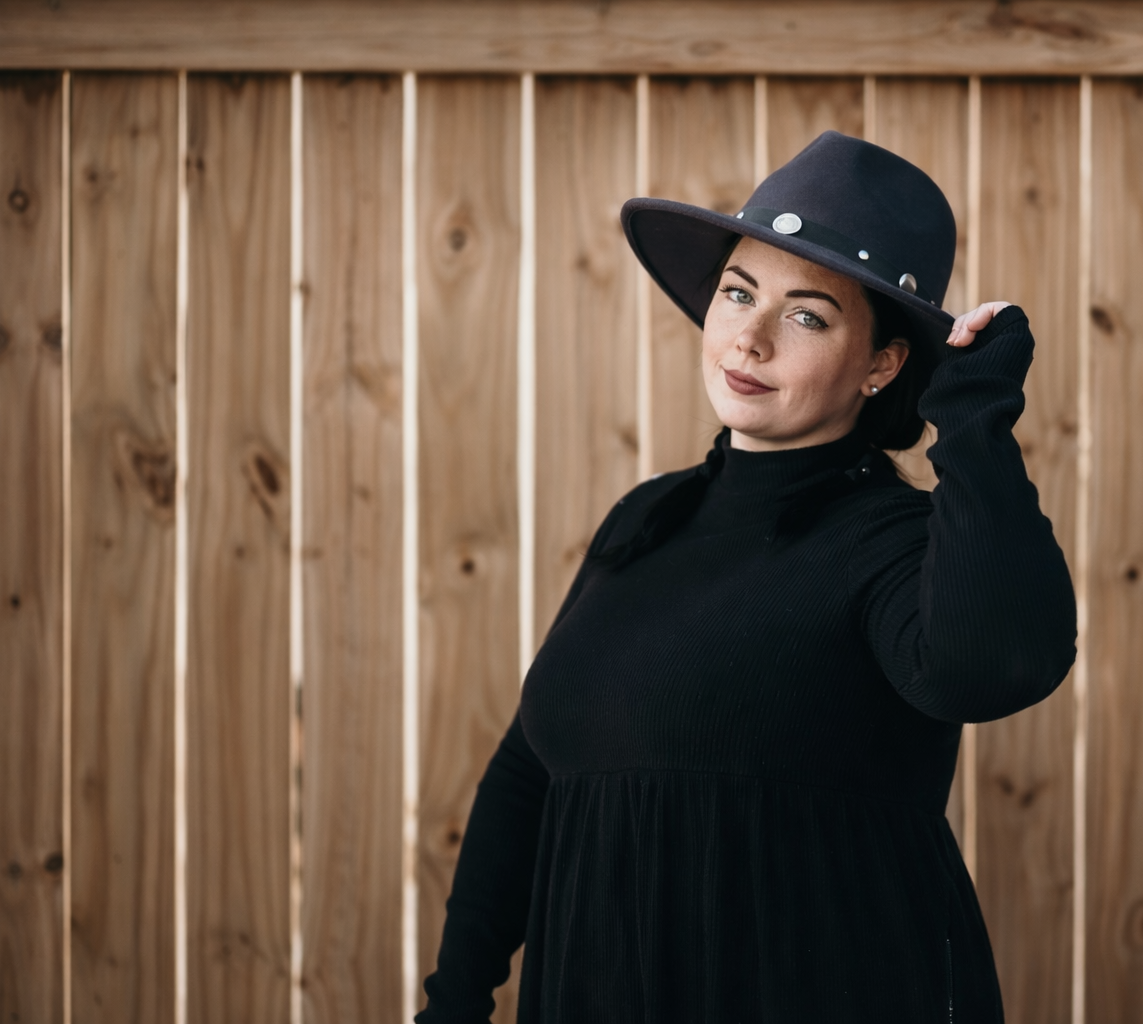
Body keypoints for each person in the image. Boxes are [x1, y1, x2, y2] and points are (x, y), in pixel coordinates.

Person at [417, 130, 1077, 1023]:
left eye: (808, 315)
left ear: (882, 365)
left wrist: (972, 415)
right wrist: (452, 1005)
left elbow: (993, 665)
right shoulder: (645, 520)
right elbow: (530, 773)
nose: (750, 339)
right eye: (738, 294)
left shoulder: (895, 541)